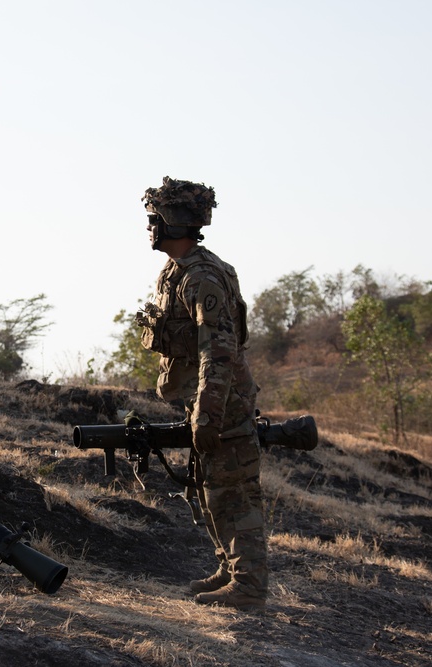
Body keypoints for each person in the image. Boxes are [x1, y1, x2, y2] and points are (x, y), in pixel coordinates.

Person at [135, 177, 267, 611]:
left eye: (156, 218)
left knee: (233, 490)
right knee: (209, 487)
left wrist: (208, 412)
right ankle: (229, 570)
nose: (150, 226)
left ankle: (248, 586)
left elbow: (220, 348)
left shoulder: (202, 277)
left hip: (223, 400)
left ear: (176, 221)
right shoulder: (175, 272)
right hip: (203, 399)